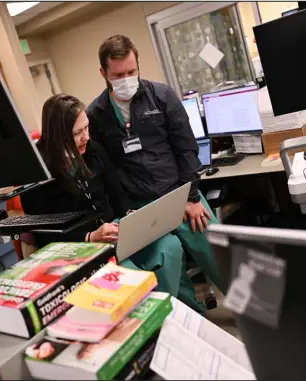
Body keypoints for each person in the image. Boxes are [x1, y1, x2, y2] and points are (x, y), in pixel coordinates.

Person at [86, 35, 225, 311]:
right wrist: (125, 211)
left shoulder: (162, 96)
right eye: (118, 74)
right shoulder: (96, 114)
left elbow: (186, 149)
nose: (126, 79)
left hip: (181, 196)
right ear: (103, 73)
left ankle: (262, 314)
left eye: (131, 71)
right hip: (142, 207)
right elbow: (107, 170)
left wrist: (193, 196)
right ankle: (191, 321)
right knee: (170, 270)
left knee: (221, 255)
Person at [20, 94, 184, 302]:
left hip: (113, 231)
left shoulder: (93, 150)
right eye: (77, 133)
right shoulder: (36, 172)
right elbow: (44, 236)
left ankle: (166, 309)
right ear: (58, 135)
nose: (86, 137)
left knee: (169, 247)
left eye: (86, 128)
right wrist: (90, 237)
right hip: (79, 246)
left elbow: (117, 194)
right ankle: (150, 318)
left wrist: (129, 215)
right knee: (132, 275)